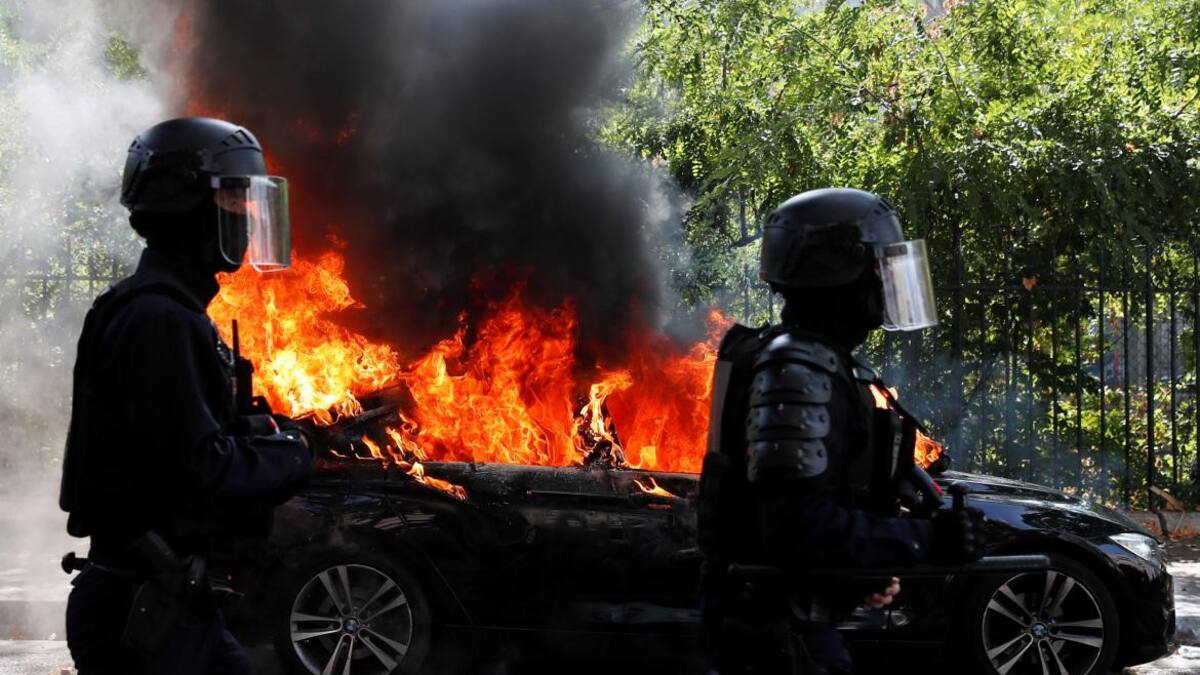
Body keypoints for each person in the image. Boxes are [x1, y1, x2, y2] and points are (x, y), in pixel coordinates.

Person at [59, 117, 314, 675]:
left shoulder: (167, 310)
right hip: (144, 612)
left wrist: (257, 431)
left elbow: (176, 435)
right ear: (189, 208)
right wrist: (293, 453)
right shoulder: (160, 320)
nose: (248, 217)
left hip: (176, 604)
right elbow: (198, 467)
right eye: (234, 200)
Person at [698, 188, 982, 674]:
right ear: (840, 273)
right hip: (775, 636)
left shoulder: (816, 363)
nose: (887, 284)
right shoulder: (796, 368)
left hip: (791, 628)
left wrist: (860, 573)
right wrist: (922, 540)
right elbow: (793, 528)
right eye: (881, 268)